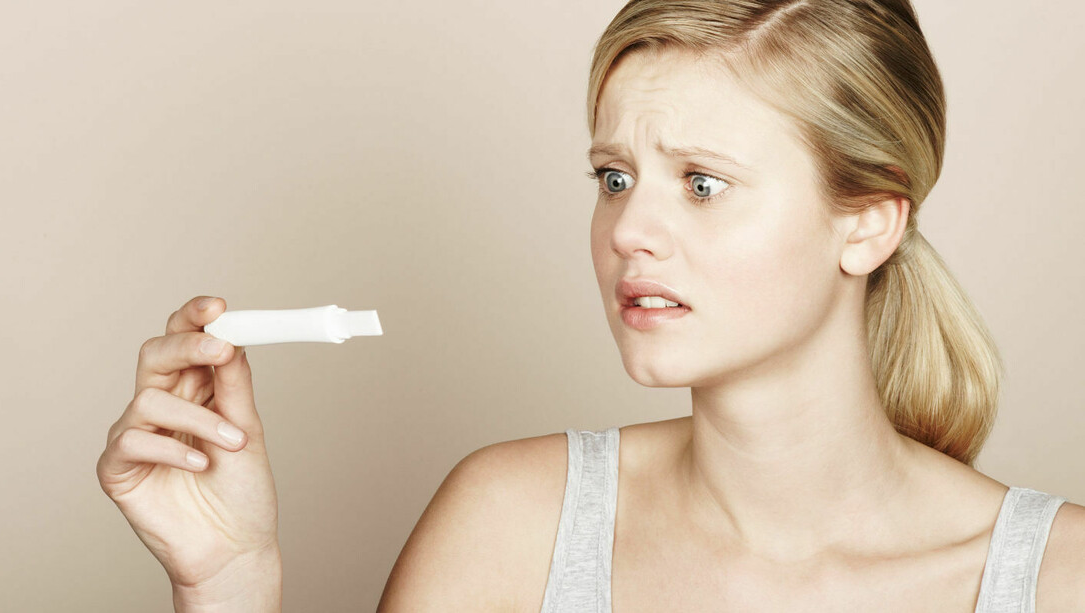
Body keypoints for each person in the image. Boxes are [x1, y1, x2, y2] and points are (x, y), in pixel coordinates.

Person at [97, 0, 1084, 611]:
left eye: (701, 182)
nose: (627, 232)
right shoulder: (510, 525)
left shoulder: (1054, 579)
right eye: (614, 177)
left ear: (865, 224)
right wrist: (227, 583)